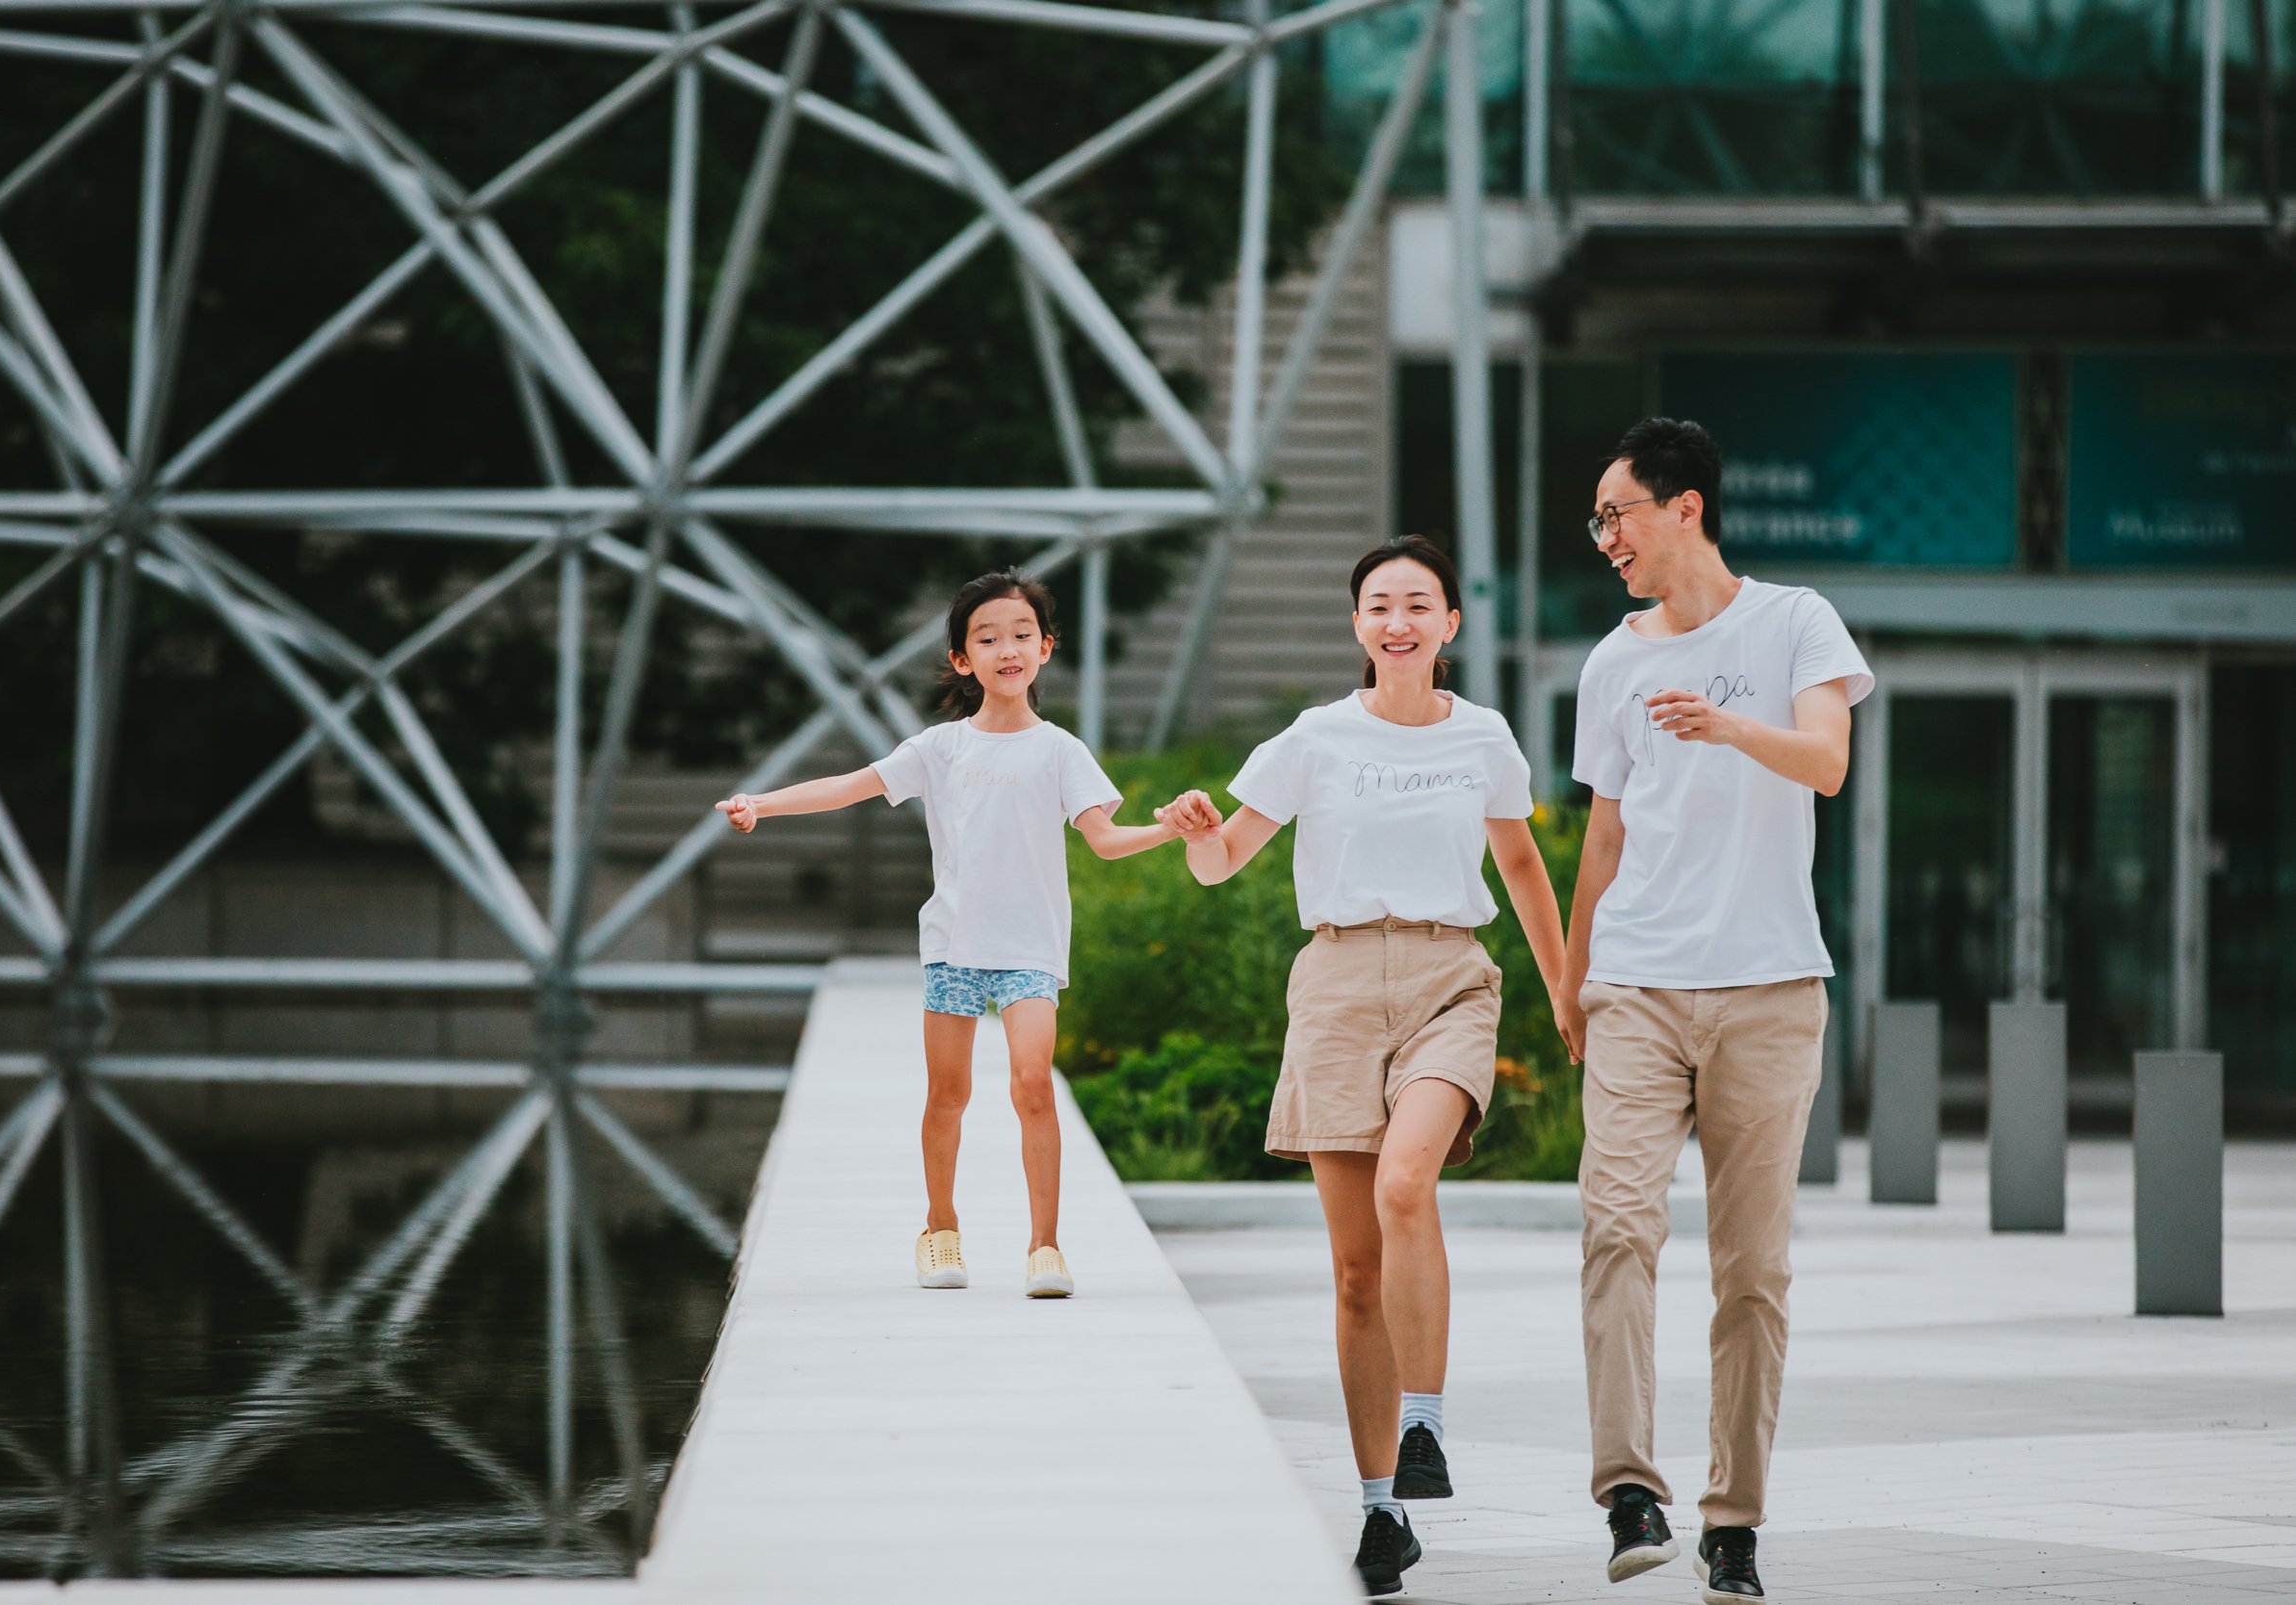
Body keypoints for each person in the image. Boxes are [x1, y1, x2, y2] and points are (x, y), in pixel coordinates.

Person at [1157, 537, 1572, 1597]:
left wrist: (1566, 989)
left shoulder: (1482, 733)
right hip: (1336, 986)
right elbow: (1220, 862)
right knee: (1351, 1276)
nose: (1398, 619)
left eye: (1417, 603)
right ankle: (1381, 1506)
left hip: (1448, 976)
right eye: (1380, 603)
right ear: (1358, 625)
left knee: (1405, 1182)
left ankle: (1425, 1424)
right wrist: (1195, 828)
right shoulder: (1312, 738)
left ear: (1448, 625)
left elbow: (1519, 863)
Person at [1555, 418, 1872, 1605]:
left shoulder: (1796, 620)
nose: (1606, 540)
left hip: (1770, 987)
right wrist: (1574, 982)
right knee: (1616, 1228)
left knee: (1751, 1271)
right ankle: (1630, 1491)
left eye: (1616, 514)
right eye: (1598, 521)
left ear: (1683, 507)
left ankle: (1731, 1519)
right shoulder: (1610, 662)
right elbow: (1602, 834)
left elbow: (1827, 763)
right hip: (1637, 981)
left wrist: (1725, 722)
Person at [718, 568, 1187, 1299]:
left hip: (1029, 947)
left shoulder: (1061, 749)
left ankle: (1045, 1247)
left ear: (1046, 649)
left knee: (1033, 1084)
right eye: (988, 637)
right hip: (953, 945)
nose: (1008, 648)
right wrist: (761, 804)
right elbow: (848, 786)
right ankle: (940, 1228)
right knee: (950, 1094)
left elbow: (1104, 837)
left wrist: (1166, 828)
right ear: (963, 660)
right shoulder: (940, 748)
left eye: (1022, 635)